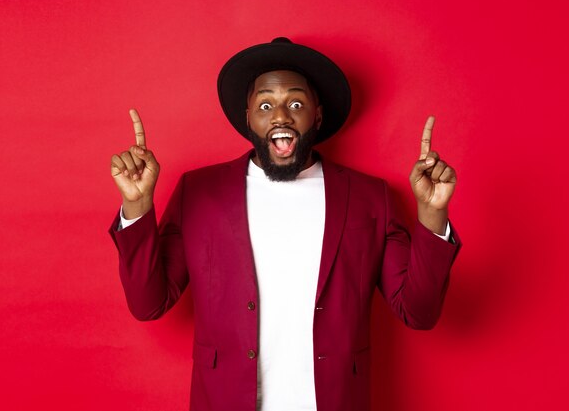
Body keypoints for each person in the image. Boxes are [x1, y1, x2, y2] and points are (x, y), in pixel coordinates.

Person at [108, 37, 461, 411]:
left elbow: (419, 313)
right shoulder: (199, 192)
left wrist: (432, 214)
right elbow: (148, 304)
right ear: (248, 118)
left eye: (295, 103)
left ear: (317, 116)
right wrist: (137, 204)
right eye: (265, 104)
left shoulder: (370, 198)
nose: (280, 116)